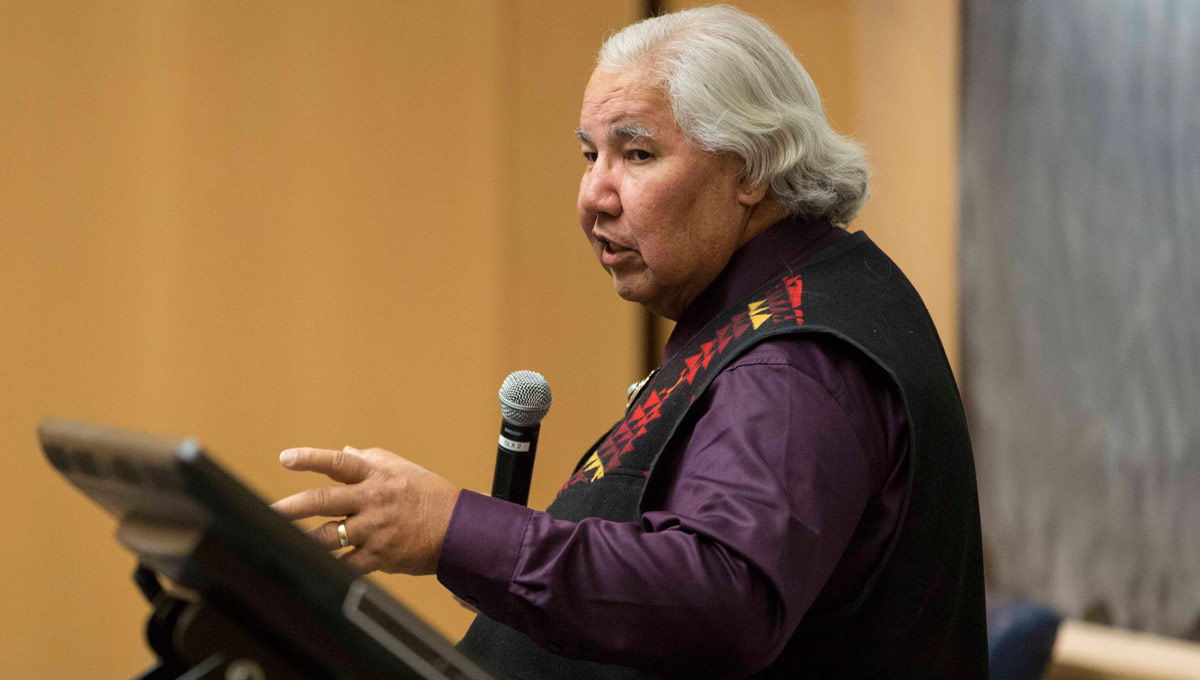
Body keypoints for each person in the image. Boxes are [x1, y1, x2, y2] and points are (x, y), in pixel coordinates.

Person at [272, 6, 988, 679]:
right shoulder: (763, 314)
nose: (594, 195)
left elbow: (721, 597)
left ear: (751, 169)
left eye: (637, 154)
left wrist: (453, 529)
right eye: (591, 156)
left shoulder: (795, 363)